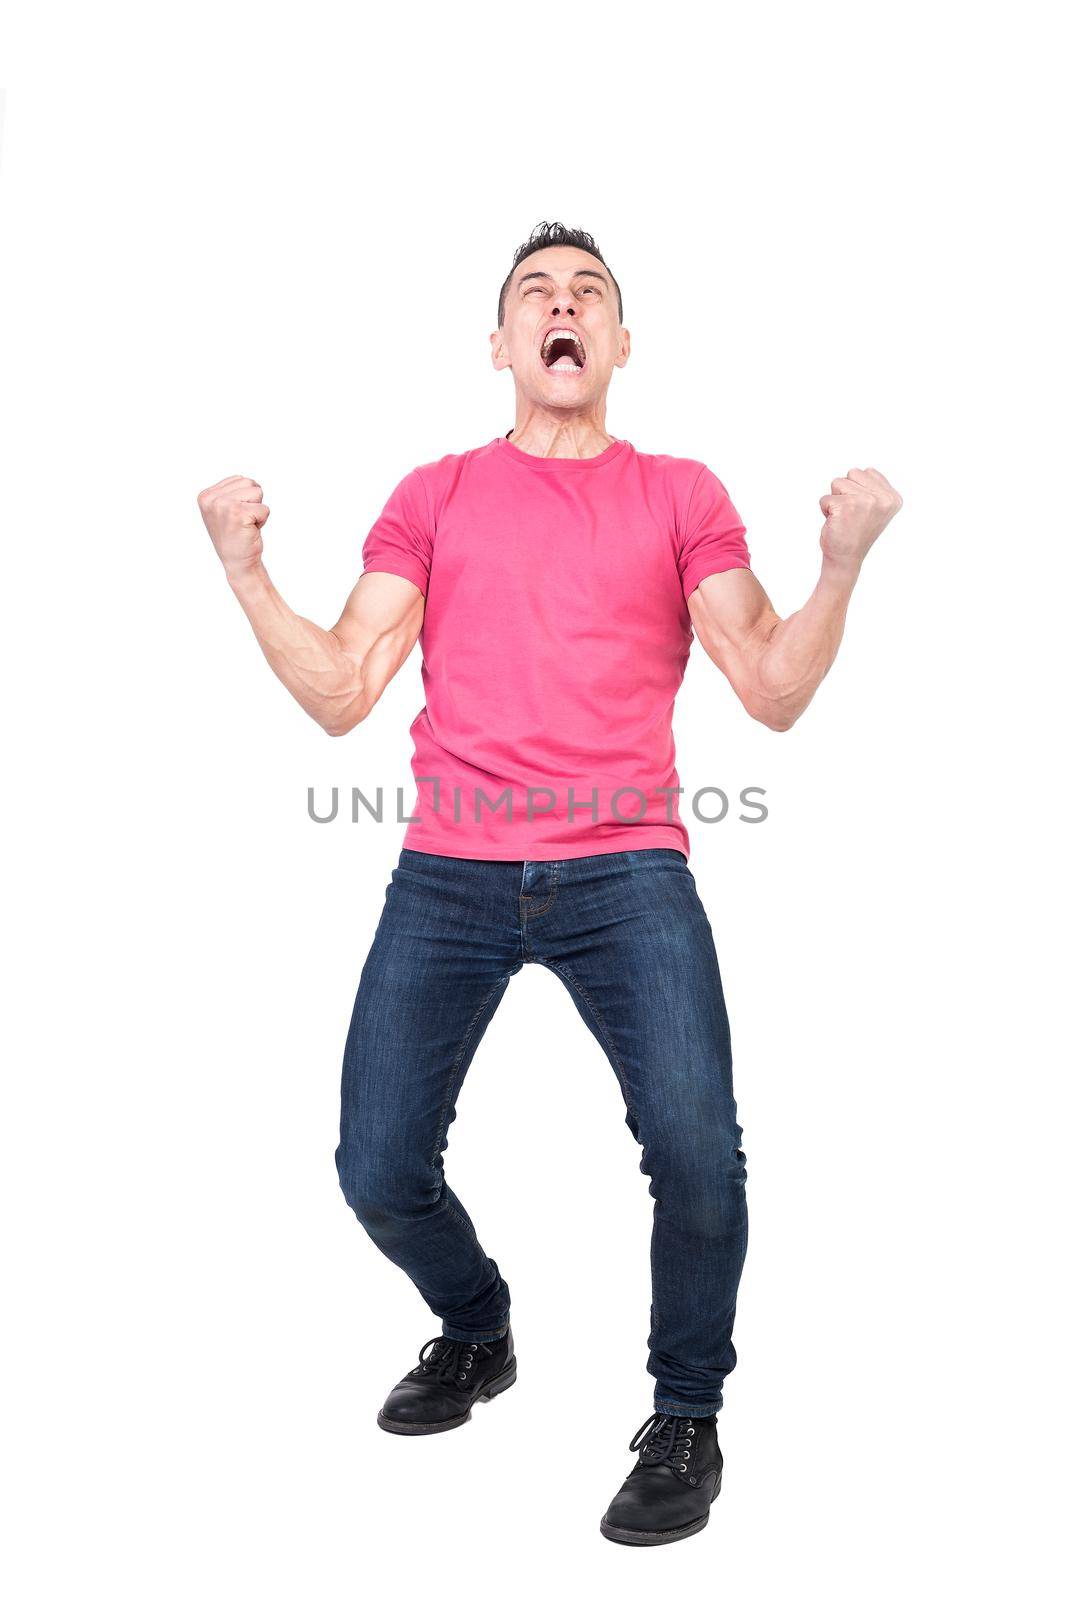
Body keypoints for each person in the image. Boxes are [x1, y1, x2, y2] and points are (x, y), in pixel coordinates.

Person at [197, 221, 902, 1546]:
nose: (561, 306)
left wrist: (845, 563)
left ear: (619, 345)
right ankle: (478, 1330)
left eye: (588, 294)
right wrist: (245, 572)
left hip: (626, 869)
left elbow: (771, 688)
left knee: (699, 1159)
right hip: (449, 879)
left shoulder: (681, 493)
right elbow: (347, 689)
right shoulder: (438, 492)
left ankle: (686, 1416)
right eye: (536, 292)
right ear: (503, 344)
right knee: (376, 1168)